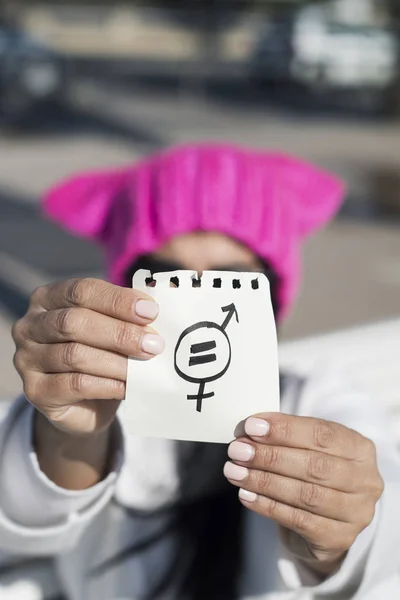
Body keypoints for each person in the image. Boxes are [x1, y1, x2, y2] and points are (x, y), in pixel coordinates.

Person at [1, 143, 399, 600]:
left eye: (232, 279)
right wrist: (66, 433)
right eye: (167, 276)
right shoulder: (101, 404)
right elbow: (19, 515)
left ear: (272, 296)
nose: (198, 303)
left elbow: (385, 505)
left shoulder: (314, 399)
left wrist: (347, 526)